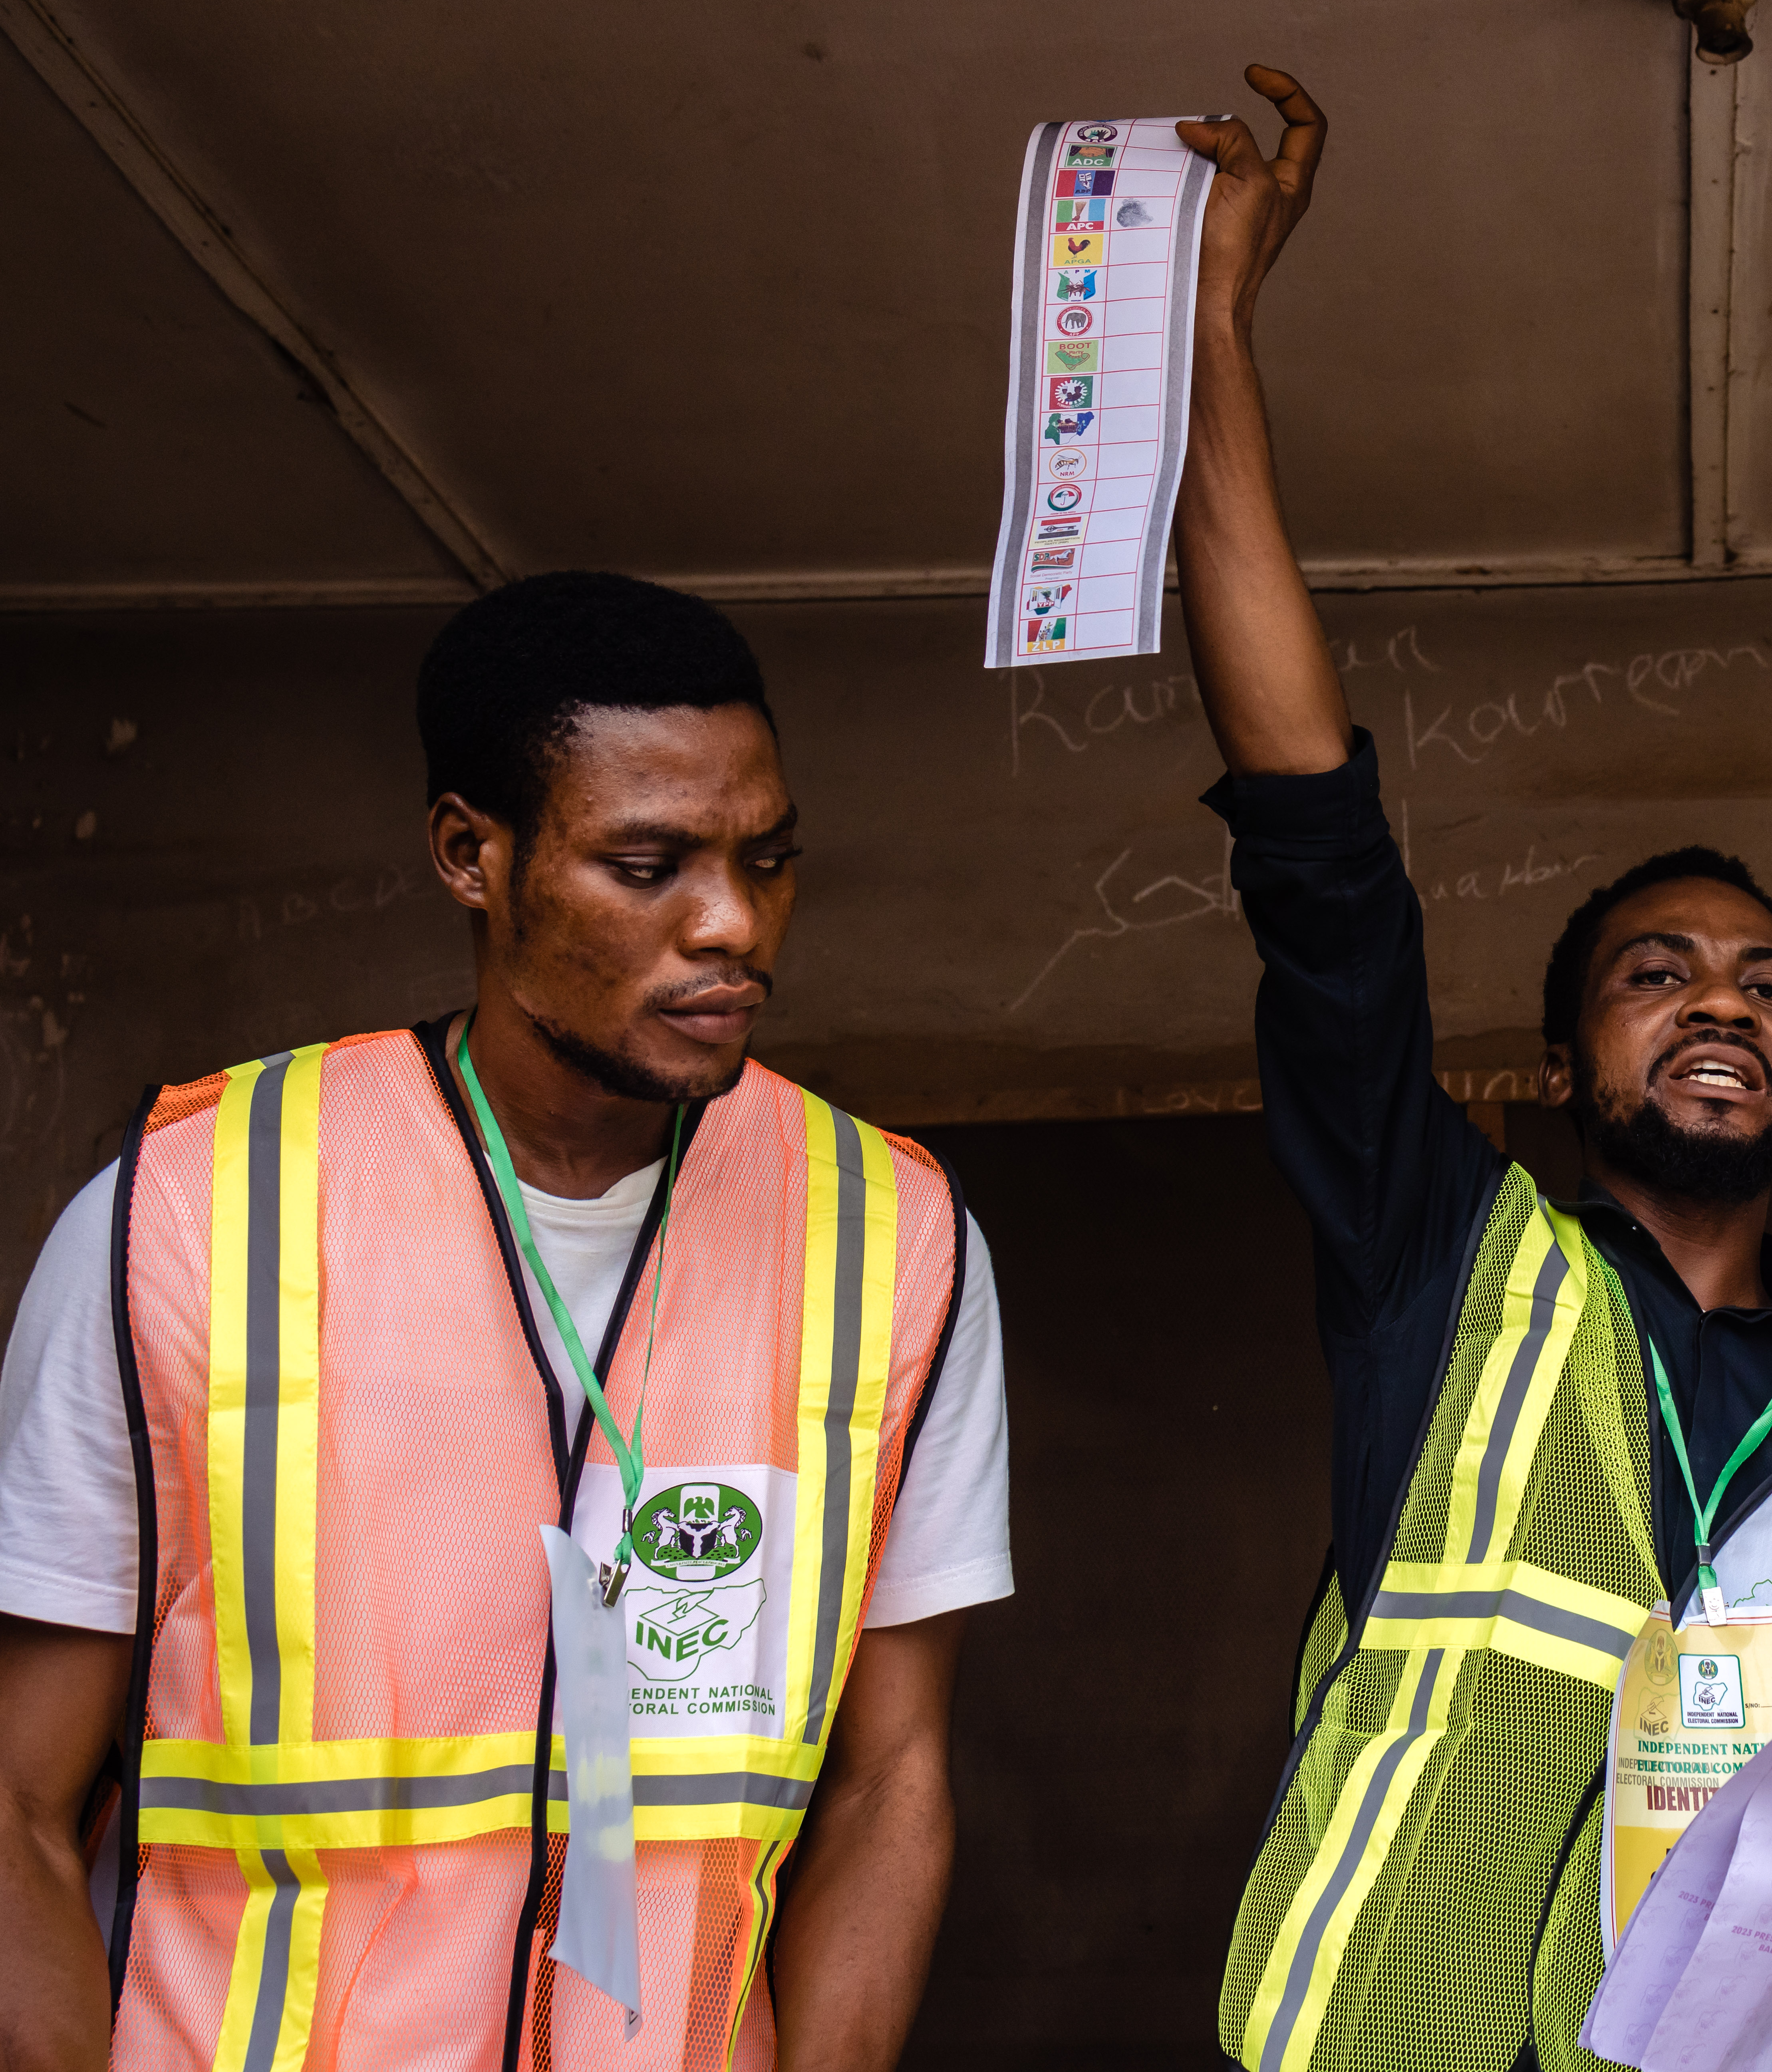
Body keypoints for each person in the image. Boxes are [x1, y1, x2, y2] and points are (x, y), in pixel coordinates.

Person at [1170, 69, 1772, 2072]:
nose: (1722, 1003)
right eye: (1658, 974)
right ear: (1566, 1063)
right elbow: (1319, 860)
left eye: (1770, 983)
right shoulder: (1443, 1262)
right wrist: (1214, 337)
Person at [0, 574, 1013, 2072]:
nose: (732, 924)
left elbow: (891, 1779)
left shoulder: (890, 1232)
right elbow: (19, 1798)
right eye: (649, 863)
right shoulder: (189, 1212)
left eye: (769, 858)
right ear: (472, 855)